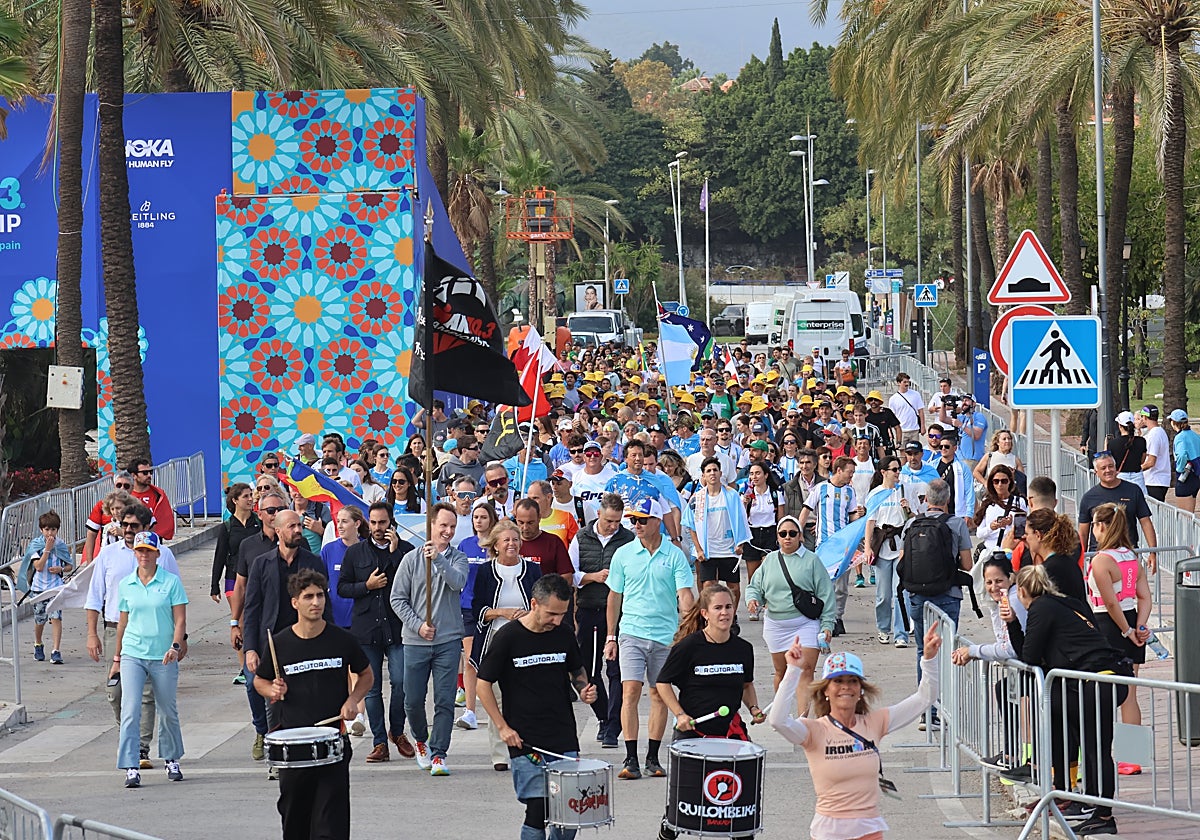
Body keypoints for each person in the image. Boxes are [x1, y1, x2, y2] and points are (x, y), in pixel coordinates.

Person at [768, 623, 943, 840]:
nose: (846, 687)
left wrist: (928, 659)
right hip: (828, 833)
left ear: (861, 690)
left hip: (869, 831)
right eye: (838, 681)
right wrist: (793, 670)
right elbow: (777, 721)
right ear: (825, 691)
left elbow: (925, 698)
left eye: (852, 681)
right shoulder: (814, 730)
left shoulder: (874, 722)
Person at [1006, 565, 1130, 837]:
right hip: (1101, 677)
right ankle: (1071, 794)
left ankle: (1103, 814)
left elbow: (1029, 655)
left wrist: (1013, 622)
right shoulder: (1067, 603)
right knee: (1073, 732)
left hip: (1096, 681)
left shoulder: (1039, 608)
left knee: (1096, 749)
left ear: (1023, 591)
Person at [475, 573, 597, 840]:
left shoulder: (563, 632)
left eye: (562, 614)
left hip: (563, 734)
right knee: (538, 809)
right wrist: (502, 727)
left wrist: (584, 689)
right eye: (552, 614)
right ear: (534, 603)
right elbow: (483, 684)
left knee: (569, 811)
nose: (557, 620)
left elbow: (576, 670)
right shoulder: (509, 637)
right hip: (525, 738)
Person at [254, 569, 374, 840]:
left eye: (320, 595)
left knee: (330, 824)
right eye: (308, 596)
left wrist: (353, 699)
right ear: (295, 602)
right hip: (293, 746)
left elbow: (366, 674)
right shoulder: (281, 644)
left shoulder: (342, 639)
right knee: (295, 820)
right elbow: (259, 681)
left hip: (333, 743)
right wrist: (272, 688)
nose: (316, 602)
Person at [654, 583, 764, 840]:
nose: (724, 613)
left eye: (728, 607)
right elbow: (662, 682)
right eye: (718, 608)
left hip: (730, 734)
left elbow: (746, 684)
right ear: (705, 613)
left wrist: (755, 708)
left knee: (739, 804)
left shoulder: (743, 649)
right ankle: (668, 828)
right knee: (685, 805)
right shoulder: (690, 647)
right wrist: (680, 715)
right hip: (695, 732)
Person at [604, 496, 695, 781]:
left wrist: (689, 621)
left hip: (665, 636)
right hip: (631, 632)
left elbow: (684, 595)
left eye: (642, 520)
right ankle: (631, 758)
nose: (636, 524)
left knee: (659, 694)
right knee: (630, 691)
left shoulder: (675, 555)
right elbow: (614, 597)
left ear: (658, 521)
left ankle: (652, 757)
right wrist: (611, 636)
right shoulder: (623, 554)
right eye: (633, 520)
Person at [86, 503, 181, 771]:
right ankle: (130, 735)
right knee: (116, 693)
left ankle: (140, 747)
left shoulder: (164, 555)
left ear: (147, 527)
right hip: (116, 630)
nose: (128, 530)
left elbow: (176, 600)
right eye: (125, 525)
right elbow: (95, 596)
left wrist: (178, 638)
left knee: (148, 695)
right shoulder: (108, 554)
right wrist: (92, 633)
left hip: (155, 633)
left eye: (134, 526)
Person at [243, 509, 331, 776]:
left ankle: (308, 751)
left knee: (306, 694)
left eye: (298, 526)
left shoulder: (312, 561)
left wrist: (330, 638)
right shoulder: (261, 563)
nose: (297, 530)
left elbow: (325, 605)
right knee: (273, 696)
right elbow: (252, 607)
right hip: (271, 641)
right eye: (291, 526)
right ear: (278, 530)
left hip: (305, 638)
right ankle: (275, 753)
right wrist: (250, 648)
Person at [389, 503, 469, 775]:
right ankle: (421, 740)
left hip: (447, 640)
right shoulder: (411, 560)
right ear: (431, 526)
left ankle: (439, 753)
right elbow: (397, 599)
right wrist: (417, 626)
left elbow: (458, 583)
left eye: (452, 526)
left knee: (445, 700)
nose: (447, 531)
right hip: (415, 641)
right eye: (443, 525)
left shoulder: (458, 558)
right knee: (412, 699)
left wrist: (439, 559)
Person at [337, 502, 416, 762]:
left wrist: (394, 554)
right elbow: (343, 588)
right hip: (367, 628)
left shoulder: (406, 551)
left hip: (397, 627)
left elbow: (413, 586)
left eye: (383, 523)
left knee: (401, 682)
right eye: (374, 522)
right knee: (370, 688)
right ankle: (380, 742)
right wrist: (366, 585)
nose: (378, 528)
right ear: (367, 523)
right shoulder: (355, 552)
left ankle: (397, 732)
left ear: (391, 522)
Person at [109, 532, 188, 788]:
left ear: (157, 554)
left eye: (148, 551)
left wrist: (175, 647)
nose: (143, 555)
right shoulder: (127, 584)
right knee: (130, 709)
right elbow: (123, 622)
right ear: (135, 554)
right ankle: (131, 765)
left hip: (163, 654)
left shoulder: (171, 582)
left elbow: (180, 619)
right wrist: (117, 658)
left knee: (168, 708)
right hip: (133, 652)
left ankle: (171, 758)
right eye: (139, 551)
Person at [896, 478, 973, 731]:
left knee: (923, 652)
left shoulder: (911, 523)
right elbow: (967, 565)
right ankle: (943, 709)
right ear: (948, 500)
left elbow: (903, 561)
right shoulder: (956, 524)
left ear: (926, 499)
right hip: (948, 595)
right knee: (946, 653)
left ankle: (926, 712)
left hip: (917, 595)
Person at [470, 518, 543, 770]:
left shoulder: (532, 570)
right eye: (506, 540)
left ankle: (527, 749)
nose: (512, 544)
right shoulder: (484, 571)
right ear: (496, 545)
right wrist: (502, 612)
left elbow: (541, 603)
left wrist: (529, 616)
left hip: (526, 638)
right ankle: (500, 754)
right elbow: (477, 608)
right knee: (497, 697)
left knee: (527, 696)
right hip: (495, 640)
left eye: (515, 539)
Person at [950, 554, 1030, 772]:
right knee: (1004, 689)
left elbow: (1010, 647)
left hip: (1035, 663)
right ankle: (1012, 754)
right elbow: (1004, 642)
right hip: (1024, 662)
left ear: (1010, 579)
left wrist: (973, 651)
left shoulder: (1013, 600)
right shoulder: (1000, 602)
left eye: (999, 581)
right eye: (989, 582)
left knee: (1005, 690)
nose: (994, 586)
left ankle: (1015, 755)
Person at [567, 493, 634, 750]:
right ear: (599, 514)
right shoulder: (582, 537)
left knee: (616, 671)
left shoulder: (627, 539)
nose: (613, 526)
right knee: (589, 670)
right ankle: (603, 717)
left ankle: (614, 724)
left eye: (617, 521)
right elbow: (571, 573)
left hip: (621, 612)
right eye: (609, 521)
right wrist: (593, 576)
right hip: (590, 609)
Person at [746, 516, 835, 701]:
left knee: (806, 671)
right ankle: (783, 717)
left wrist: (827, 624)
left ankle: (802, 719)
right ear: (777, 537)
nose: (788, 537)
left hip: (806, 623)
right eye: (783, 534)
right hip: (776, 624)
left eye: (792, 533)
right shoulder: (770, 560)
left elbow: (826, 594)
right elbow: (754, 586)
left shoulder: (812, 561)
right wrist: (753, 599)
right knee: (782, 671)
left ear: (800, 536)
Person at [1086, 503, 1152, 725]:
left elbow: (1110, 602)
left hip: (1108, 624)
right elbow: (1144, 596)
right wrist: (1139, 626)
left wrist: (1127, 631)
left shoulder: (1101, 560)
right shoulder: (1132, 557)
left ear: (1102, 526)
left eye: (1094, 524)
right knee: (1129, 694)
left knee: (1104, 693)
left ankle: (1104, 751)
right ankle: (1131, 758)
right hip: (1131, 617)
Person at [798, 456, 864, 637]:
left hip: (843, 546)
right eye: (849, 472)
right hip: (824, 544)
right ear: (839, 470)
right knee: (823, 584)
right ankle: (824, 618)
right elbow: (806, 510)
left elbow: (852, 518)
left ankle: (837, 617)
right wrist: (799, 531)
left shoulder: (850, 492)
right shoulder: (821, 488)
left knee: (841, 586)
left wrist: (858, 531)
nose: (851, 476)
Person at [684, 457, 751, 609]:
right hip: (709, 551)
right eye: (708, 471)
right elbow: (690, 525)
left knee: (733, 587)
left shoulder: (732, 495)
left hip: (728, 549)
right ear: (703, 475)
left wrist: (740, 543)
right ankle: (709, 617)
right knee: (708, 585)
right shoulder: (697, 498)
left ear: (721, 473)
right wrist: (698, 549)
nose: (712, 473)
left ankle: (732, 618)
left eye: (715, 470)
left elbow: (741, 519)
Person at [456, 499, 498, 732]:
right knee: (471, 659)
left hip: (494, 609)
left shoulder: (499, 544)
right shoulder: (465, 544)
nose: (479, 521)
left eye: (483, 517)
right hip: (469, 608)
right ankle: (470, 710)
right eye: (475, 517)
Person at [211, 484, 261, 683]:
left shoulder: (258, 522)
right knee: (239, 620)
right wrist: (214, 585)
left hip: (256, 577)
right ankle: (244, 668)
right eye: (246, 496)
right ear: (235, 500)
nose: (251, 499)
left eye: (251, 496)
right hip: (233, 577)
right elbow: (220, 555)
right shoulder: (227, 526)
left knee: (255, 617)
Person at [1077, 452, 1157, 573]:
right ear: (1096, 472)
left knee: (1130, 591)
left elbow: (1145, 522)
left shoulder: (1133, 490)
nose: (1108, 470)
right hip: (1099, 555)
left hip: (1128, 554)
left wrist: (1153, 552)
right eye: (1103, 468)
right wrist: (1080, 559)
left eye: (1111, 466)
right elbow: (1083, 532)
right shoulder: (1088, 497)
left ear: (1116, 467)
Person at [864, 457, 912, 647]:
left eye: (899, 469)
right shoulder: (875, 494)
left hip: (901, 545)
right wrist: (868, 547)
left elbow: (912, 517)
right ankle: (883, 628)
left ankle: (901, 632)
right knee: (883, 594)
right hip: (883, 546)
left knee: (901, 592)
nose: (897, 473)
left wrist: (907, 508)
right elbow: (870, 522)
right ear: (884, 472)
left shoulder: (904, 489)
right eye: (894, 469)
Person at [21, 510, 73, 664]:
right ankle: (38, 644)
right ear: (41, 530)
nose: (50, 533)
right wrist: (47, 549)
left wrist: (61, 569)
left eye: (53, 529)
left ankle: (56, 650)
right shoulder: (36, 545)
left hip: (56, 587)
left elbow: (69, 565)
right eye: (47, 529)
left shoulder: (61, 545)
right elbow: (38, 566)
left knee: (56, 617)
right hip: (39, 588)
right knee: (40, 619)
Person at [739, 461, 784, 615]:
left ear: (765, 475)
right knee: (753, 574)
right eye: (751, 474)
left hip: (770, 533)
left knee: (767, 571)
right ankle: (753, 605)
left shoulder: (775, 494)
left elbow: (781, 517)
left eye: (757, 473)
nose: (754, 477)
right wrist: (744, 503)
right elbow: (742, 518)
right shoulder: (746, 494)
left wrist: (780, 536)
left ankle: (767, 604)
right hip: (752, 534)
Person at [1023, 509, 1087, 604]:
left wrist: (1007, 550)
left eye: (1027, 534)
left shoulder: (1049, 569)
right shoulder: (1067, 560)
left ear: (1038, 535)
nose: (1024, 537)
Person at [83, 473, 135, 563]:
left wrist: (123, 533)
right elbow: (91, 534)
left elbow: (145, 534)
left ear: (132, 487)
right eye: (119, 485)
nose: (122, 488)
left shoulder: (138, 508)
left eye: (126, 486)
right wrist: (89, 562)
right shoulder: (101, 505)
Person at [974, 464, 1027, 551]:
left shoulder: (1019, 501)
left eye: (1004, 481)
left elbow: (1024, 530)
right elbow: (979, 534)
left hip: (1011, 551)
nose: (1000, 485)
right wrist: (991, 527)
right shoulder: (987, 503)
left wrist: (1011, 523)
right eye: (996, 481)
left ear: (1010, 481)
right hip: (991, 551)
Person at [127, 459, 175, 541]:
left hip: (153, 540)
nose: (149, 475)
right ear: (133, 475)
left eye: (150, 472)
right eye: (145, 473)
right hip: (130, 538)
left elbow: (166, 519)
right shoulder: (126, 495)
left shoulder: (158, 495)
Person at [1105, 411, 1148, 493]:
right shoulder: (1141, 441)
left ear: (1120, 426)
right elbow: (1142, 460)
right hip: (1137, 476)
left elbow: (1110, 462)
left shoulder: (1113, 443)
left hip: (1121, 476)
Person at [1137, 405, 1171, 501]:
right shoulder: (1159, 432)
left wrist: (1136, 470)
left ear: (1145, 417)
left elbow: (1151, 461)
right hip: (1158, 480)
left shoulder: (1154, 434)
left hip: (1154, 481)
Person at [1169, 409, 1200, 513]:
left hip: (1185, 477)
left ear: (1173, 423)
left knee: (1184, 515)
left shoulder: (1180, 438)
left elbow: (1182, 455)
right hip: (1195, 476)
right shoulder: (1195, 435)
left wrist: (1180, 468)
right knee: (1190, 513)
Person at [947, 394, 987, 470]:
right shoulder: (963, 417)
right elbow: (943, 418)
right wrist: (943, 403)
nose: (964, 402)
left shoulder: (978, 416)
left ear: (974, 403)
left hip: (972, 459)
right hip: (959, 458)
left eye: (967, 400)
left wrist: (960, 425)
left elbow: (976, 436)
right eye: (963, 401)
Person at [887, 374, 924, 444]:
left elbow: (921, 411)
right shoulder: (893, 399)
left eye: (908, 382)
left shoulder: (916, 394)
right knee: (902, 451)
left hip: (914, 429)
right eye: (904, 382)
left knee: (915, 451)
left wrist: (922, 426)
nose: (907, 384)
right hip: (902, 430)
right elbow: (891, 416)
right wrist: (890, 431)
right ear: (898, 383)